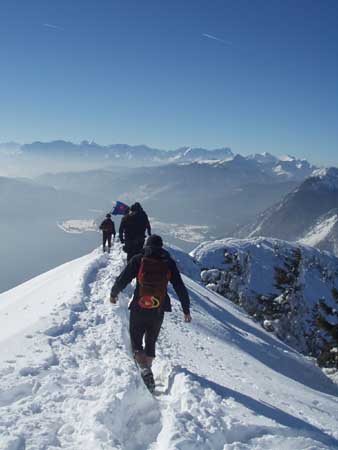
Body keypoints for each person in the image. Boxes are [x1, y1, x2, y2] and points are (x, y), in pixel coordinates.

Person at [110, 234, 192, 392]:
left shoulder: (139, 259)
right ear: (161, 246)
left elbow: (123, 278)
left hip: (139, 305)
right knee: (151, 339)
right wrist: (186, 310)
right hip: (158, 307)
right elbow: (180, 287)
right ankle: (148, 367)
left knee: (136, 338)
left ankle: (144, 369)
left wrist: (114, 294)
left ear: (147, 245)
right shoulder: (168, 262)